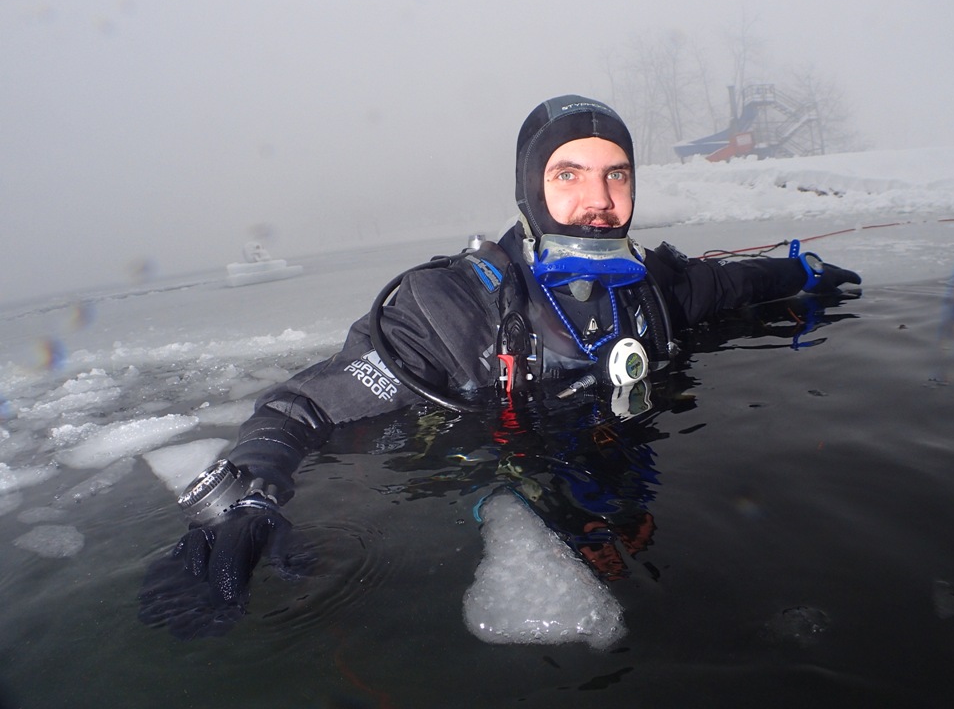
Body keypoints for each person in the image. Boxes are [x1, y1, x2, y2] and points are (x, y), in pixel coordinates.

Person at [139, 95, 860, 639]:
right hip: (482, 509)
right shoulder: (450, 309)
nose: (599, 202)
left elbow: (733, 284)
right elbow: (303, 409)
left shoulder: (657, 289)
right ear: (529, 189)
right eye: (569, 174)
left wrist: (801, 271)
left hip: (634, 500)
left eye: (617, 176)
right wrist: (250, 496)